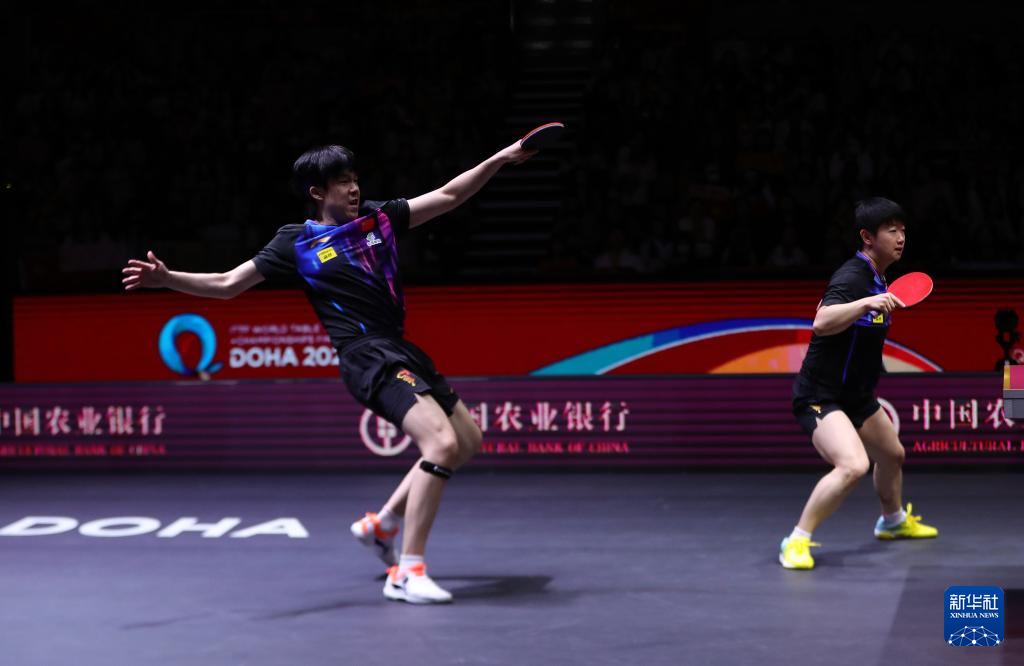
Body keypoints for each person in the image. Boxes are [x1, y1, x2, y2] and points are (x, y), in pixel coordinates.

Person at [123, 139, 537, 602]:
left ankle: (382, 525)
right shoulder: (296, 242)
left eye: (355, 179)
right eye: (343, 183)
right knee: (440, 444)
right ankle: (407, 571)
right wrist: (168, 279)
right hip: (366, 356)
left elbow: (448, 195)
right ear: (318, 193)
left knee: (467, 440)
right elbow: (227, 284)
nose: (354, 188)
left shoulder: (379, 218)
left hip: (401, 348)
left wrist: (499, 159)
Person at [779, 197, 938, 570]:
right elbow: (821, 321)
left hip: (856, 395)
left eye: (903, 230)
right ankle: (796, 540)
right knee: (852, 465)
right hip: (821, 395)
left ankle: (892, 521)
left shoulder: (878, 278)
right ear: (868, 237)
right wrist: (866, 303)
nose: (900, 238)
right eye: (891, 231)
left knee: (892, 455)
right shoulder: (853, 276)